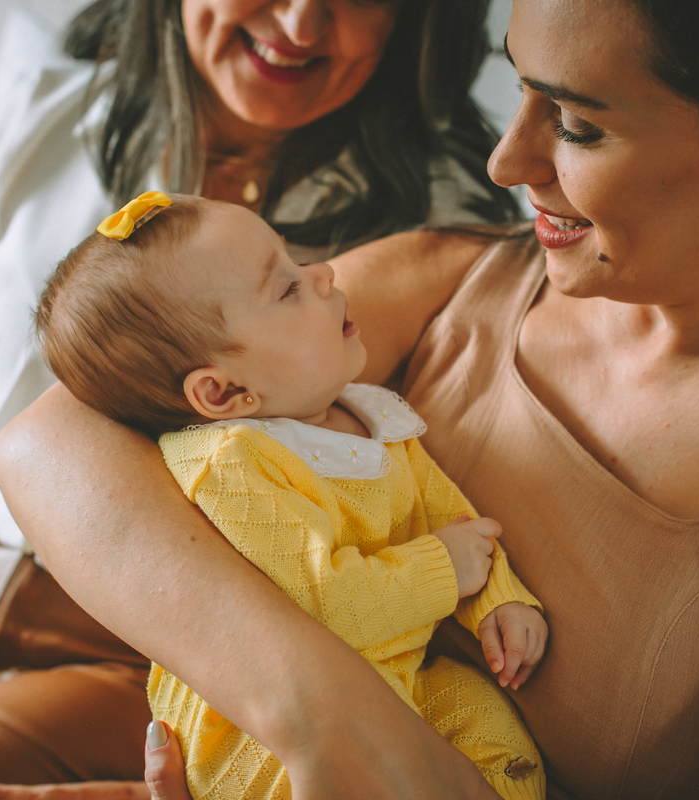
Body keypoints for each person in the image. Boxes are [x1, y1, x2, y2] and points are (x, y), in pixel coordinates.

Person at [0, 0, 699, 798]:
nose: (504, 160)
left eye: (573, 122)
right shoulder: (453, 278)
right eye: (518, 88)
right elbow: (45, 446)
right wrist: (324, 719)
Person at [0, 0, 520, 796]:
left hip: (131, 660)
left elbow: (383, 510)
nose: (301, 22)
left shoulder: (434, 235)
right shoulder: (46, 122)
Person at [35, 191, 549, 800]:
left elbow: (452, 517)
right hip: (262, 745)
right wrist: (446, 567)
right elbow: (327, 606)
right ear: (224, 394)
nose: (324, 272)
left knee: (497, 735)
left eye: (294, 259)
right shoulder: (232, 464)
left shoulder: (371, 416)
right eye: (285, 288)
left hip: (397, 679)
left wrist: (497, 599)